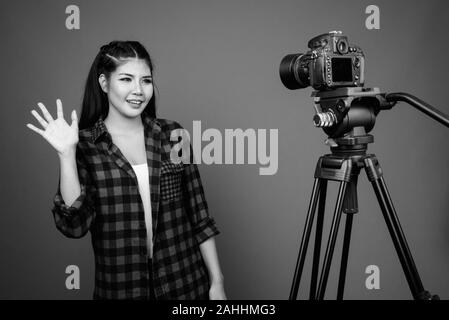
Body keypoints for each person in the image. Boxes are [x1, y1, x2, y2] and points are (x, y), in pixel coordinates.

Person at [26, 41, 226, 300]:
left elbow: (200, 218)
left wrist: (217, 283)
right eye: (126, 79)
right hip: (120, 290)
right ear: (104, 83)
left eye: (145, 81)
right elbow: (74, 225)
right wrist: (66, 154)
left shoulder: (173, 135)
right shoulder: (85, 146)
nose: (138, 90)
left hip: (186, 287)